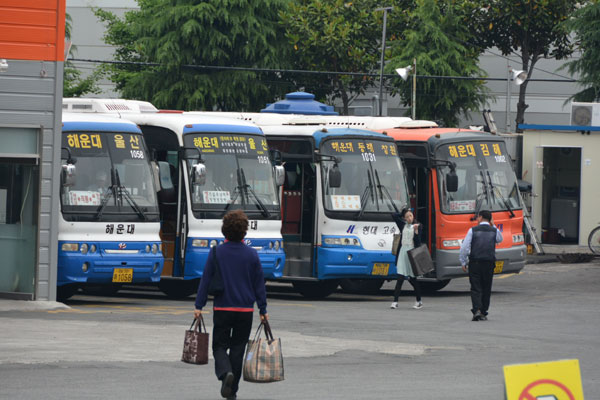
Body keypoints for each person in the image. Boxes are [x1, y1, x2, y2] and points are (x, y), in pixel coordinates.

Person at [194, 210, 268, 400]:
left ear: (224, 230)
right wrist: (263, 309)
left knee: (219, 346)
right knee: (238, 348)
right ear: (244, 231)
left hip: (222, 308)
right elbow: (259, 284)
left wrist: (199, 305)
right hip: (245, 310)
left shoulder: (216, 252)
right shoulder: (252, 255)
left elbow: (205, 280)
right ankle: (232, 391)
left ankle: (224, 373)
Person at [459, 209, 503, 321]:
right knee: (486, 287)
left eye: (478, 217)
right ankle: (483, 311)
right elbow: (500, 239)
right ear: (490, 219)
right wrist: (493, 225)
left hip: (475, 262)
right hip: (489, 262)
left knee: (476, 287)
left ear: (480, 217)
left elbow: (464, 247)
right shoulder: (494, 231)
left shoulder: (473, 230)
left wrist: (463, 261)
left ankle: (477, 310)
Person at [390, 208, 423, 310]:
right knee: (400, 278)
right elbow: (394, 215)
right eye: (407, 216)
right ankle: (395, 302)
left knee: (413, 279)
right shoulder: (403, 225)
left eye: (411, 215)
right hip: (402, 253)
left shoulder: (418, 226)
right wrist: (403, 212)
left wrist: (416, 231)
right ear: (404, 218)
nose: (409, 218)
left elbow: (418, 243)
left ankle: (419, 300)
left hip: (411, 253)